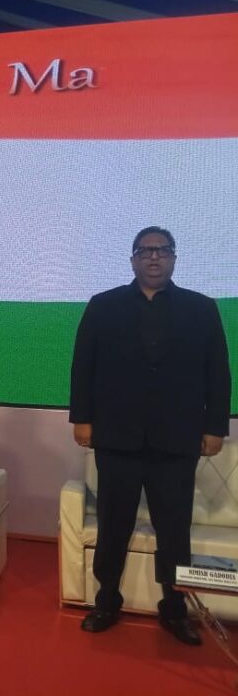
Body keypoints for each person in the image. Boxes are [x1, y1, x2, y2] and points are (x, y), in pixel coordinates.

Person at [70, 226, 231, 645]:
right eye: (145, 251)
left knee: (174, 530)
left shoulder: (201, 308)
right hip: (117, 439)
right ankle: (107, 601)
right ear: (133, 260)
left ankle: (175, 608)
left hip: (177, 442)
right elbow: (83, 366)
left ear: (174, 258)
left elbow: (218, 373)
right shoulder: (103, 306)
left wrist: (215, 427)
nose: (154, 257)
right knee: (113, 525)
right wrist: (82, 419)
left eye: (162, 250)